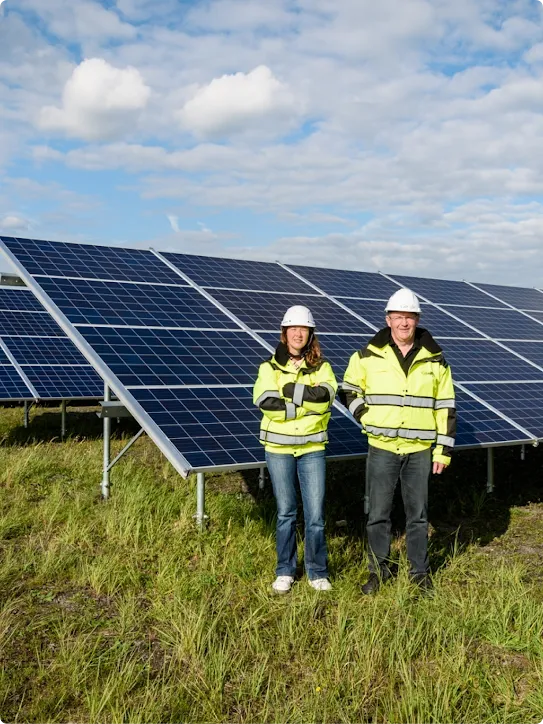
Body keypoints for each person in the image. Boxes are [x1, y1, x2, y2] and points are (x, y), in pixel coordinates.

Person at [341, 288, 456, 593]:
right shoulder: (366, 356)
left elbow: (446, 405)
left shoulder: (436, 360)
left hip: (419, 450)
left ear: (417, 320)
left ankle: (419, 572)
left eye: (410, 317)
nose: (404, 323)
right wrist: (366, 417)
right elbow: (348, 390)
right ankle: (378, 571)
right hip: (382, 447)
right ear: (388, 319)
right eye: (399, 317)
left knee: (417, 516)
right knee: (377, 514)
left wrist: (442, 451)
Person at [253, 305, 337, 593]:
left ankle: (317, 571)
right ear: (284, 333)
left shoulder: (323, 368)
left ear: (310, 334)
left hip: (313, 448)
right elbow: (266, 403)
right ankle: (285, 570)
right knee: (286, 512)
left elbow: (325, 398)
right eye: (293, 329)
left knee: (315, 515)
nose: (298, 334)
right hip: (278, 449)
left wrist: (289, 392)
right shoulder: (268, 368)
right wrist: (303, 407)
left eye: (304, 329)